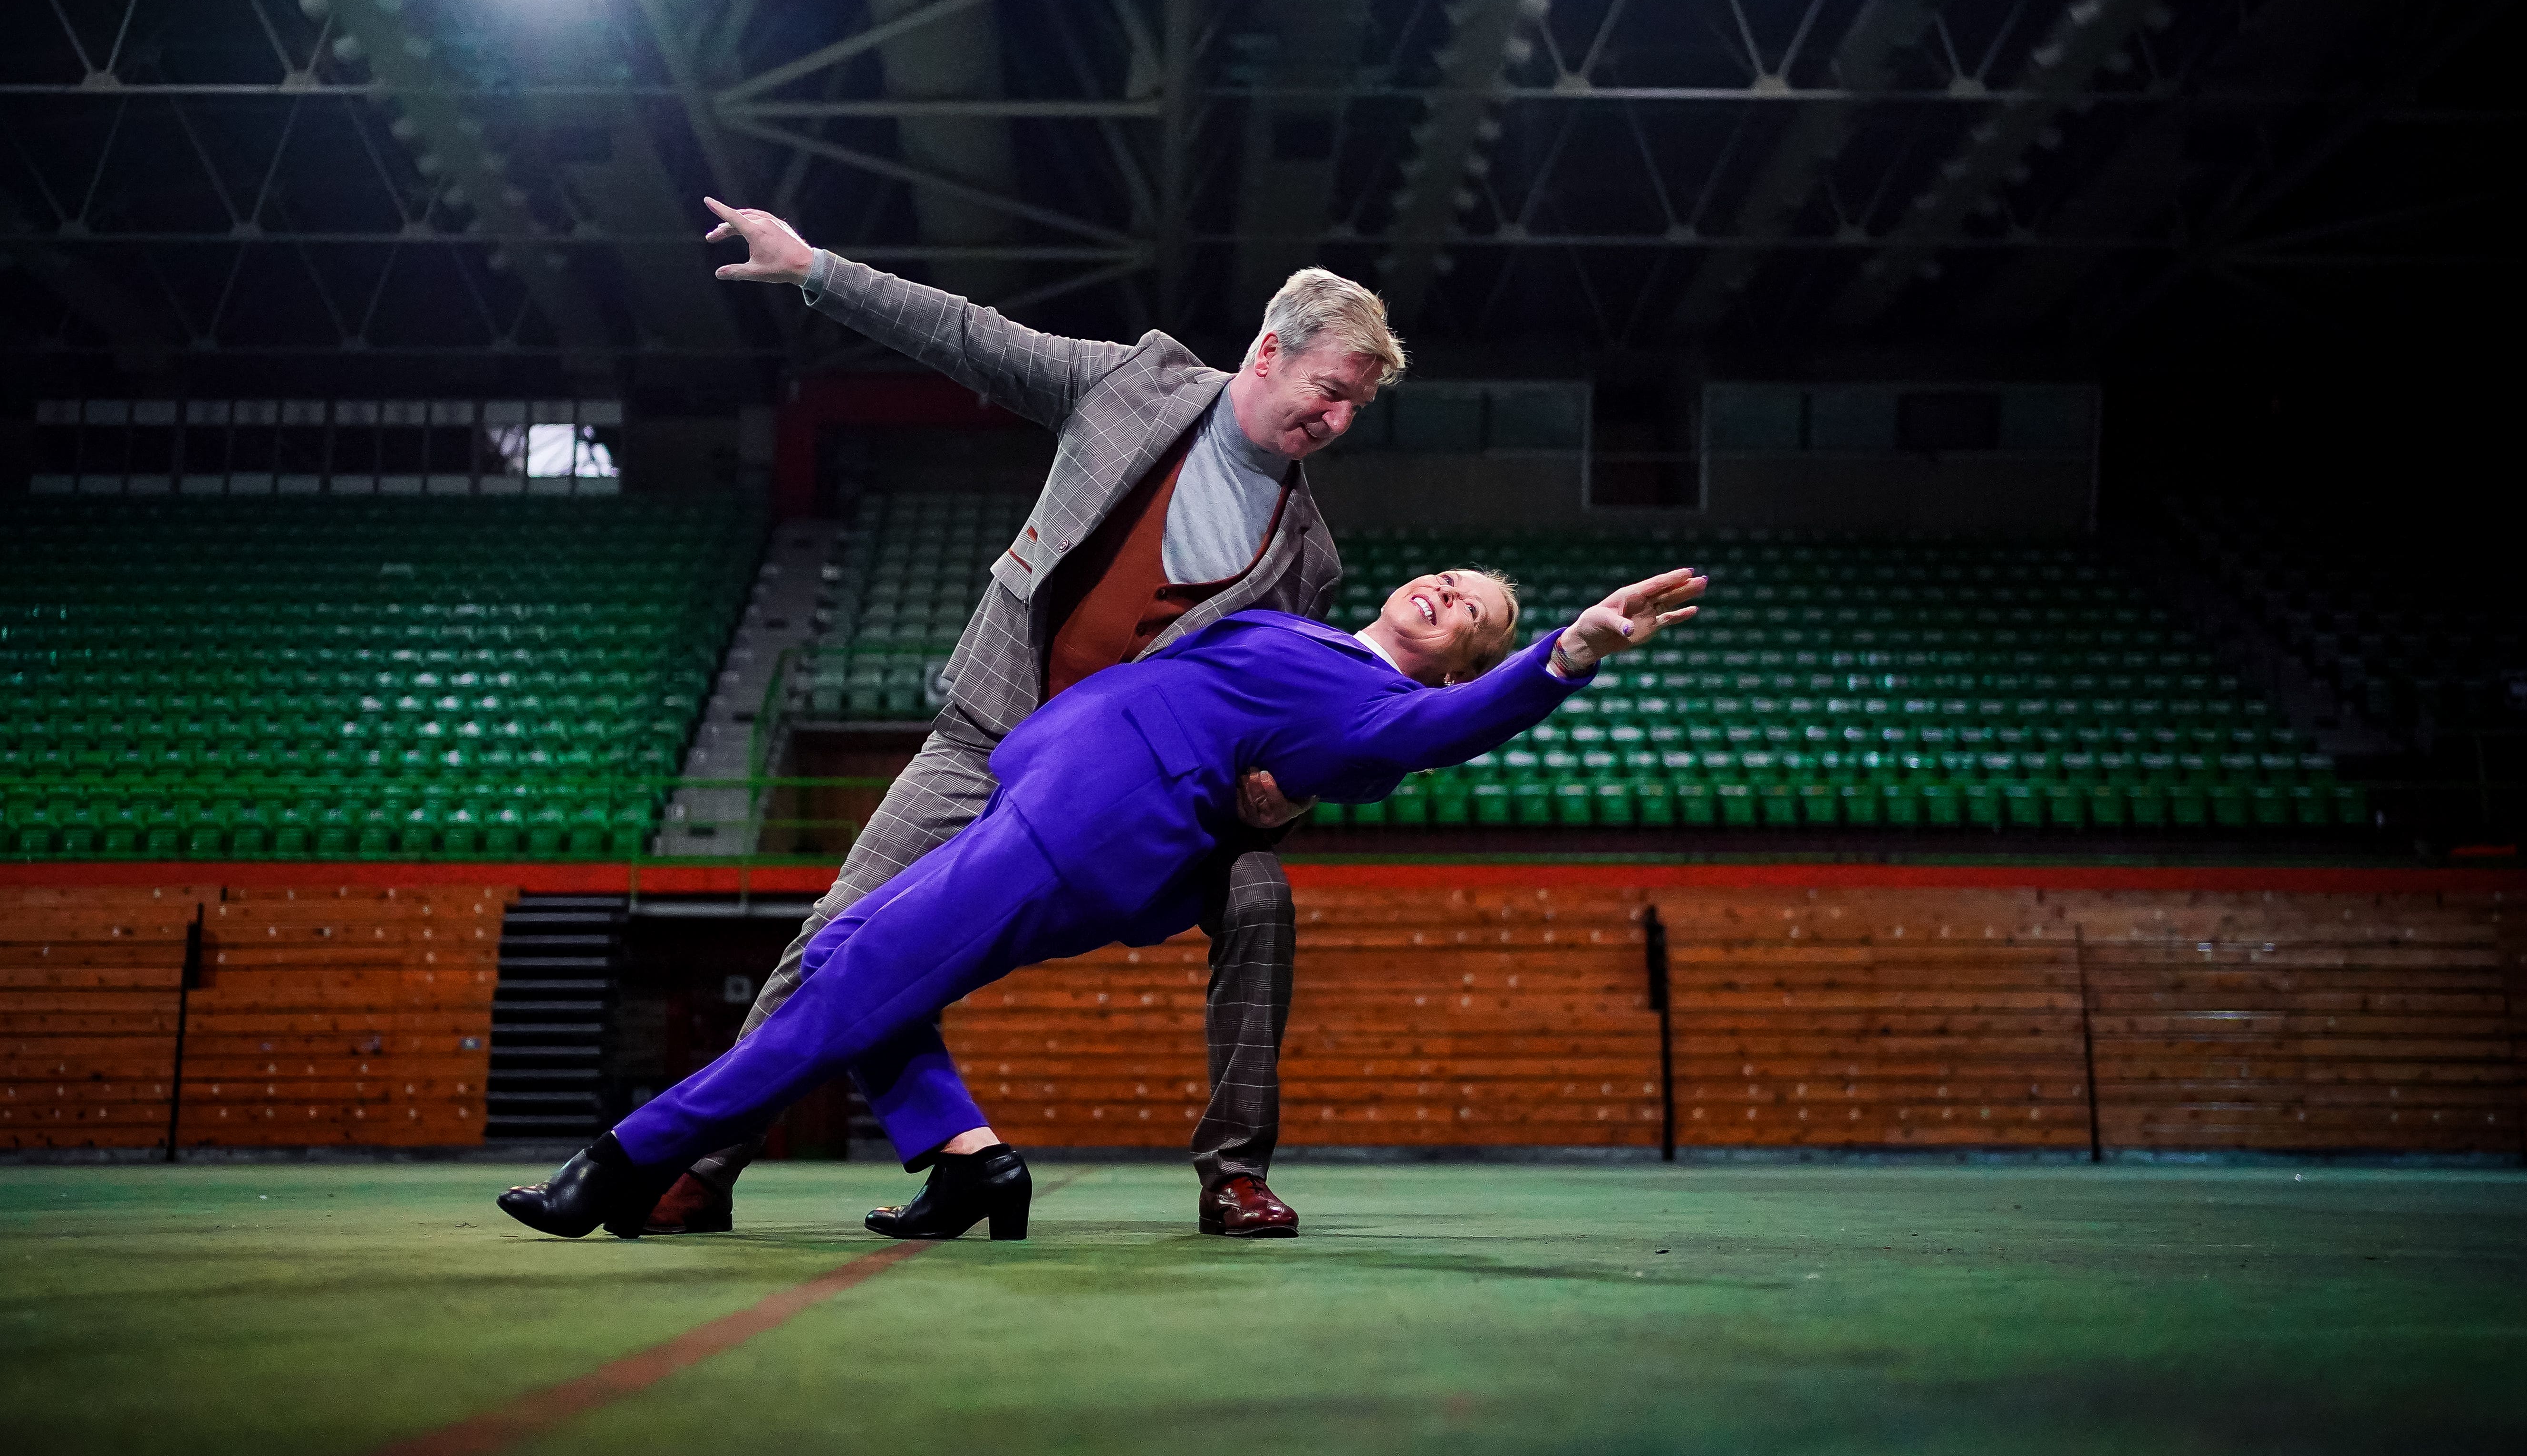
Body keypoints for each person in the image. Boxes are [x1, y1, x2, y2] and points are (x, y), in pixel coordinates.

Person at [498, 564, 1705, 1244]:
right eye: (1449, 580)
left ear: (1461, 661)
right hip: (1038, 800)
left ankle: (619, 1157)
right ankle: (972, 1161)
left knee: (847, 990)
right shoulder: (1306, 634)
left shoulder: (1384, 712)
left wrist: (1562, 652)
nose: (1448, 595)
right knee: (850, 959)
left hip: (1086, 837)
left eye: (1474, 616)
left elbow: (1457, 728)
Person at [648, 198, 1402, 1242]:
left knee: (1260, 893)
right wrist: (814, 265)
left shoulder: (1306, 556)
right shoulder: (1131, 382)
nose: (1339, 422)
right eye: (1331, 393)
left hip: (1135, 809)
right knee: (834, 932)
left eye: (1358, 407)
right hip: (985, 737)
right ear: (1269, 351)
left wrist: (1277, 801)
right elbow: (966, 333)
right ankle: (702, 1166)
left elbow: (1272, 726)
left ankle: (1235, 1172)